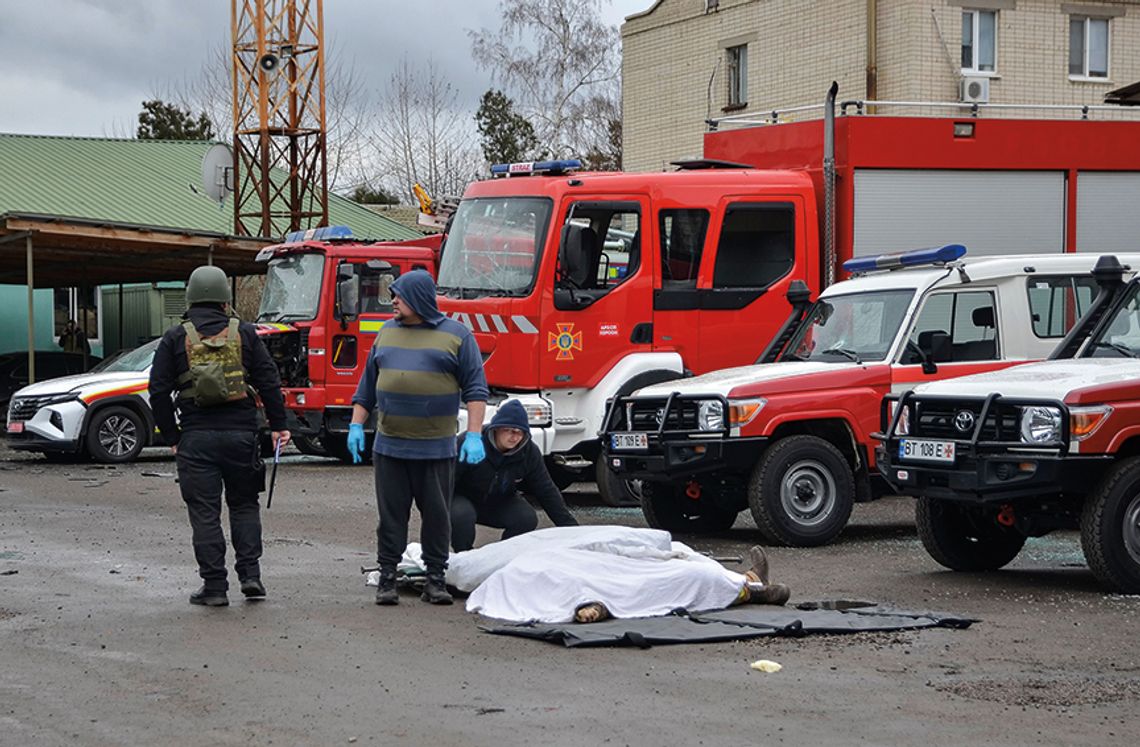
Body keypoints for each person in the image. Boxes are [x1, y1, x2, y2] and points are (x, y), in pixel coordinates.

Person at [148, 265, 290, 608]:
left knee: (205, 514)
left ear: (191, 297)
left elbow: (157, 391)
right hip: (242, 435)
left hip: (196, 438)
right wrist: (279, 425)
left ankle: (214, 587)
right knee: (243, 506)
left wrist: (173, 435)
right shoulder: (244, 332)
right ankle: (251, 576)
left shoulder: (174, 337)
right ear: (225, 301)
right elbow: (269, 380)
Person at [348, 269, 488, 606]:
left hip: (435, 449)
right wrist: (356, 425)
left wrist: (474, 435)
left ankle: (435, 579)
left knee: (438, 517)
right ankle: (387, 578)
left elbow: (476, 389)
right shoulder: (385, 332)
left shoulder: (457, 335)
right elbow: (366, 387)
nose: (393, 300)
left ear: (420, 298)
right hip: (390, 447)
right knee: (391, 517)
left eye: (399, 294)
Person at [451, 399, 578, 552]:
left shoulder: (529, 452)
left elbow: (546, 490)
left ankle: (502, 555)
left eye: (520, 432)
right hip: (463, 498)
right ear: (496, 428)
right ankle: (463, 555)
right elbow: (445, 481)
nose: (515, 437)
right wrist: (433, 513)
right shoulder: (470, 443)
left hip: (499, 500)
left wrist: (573, 531)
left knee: (526, 517)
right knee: (462, 514)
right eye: (509, 430)